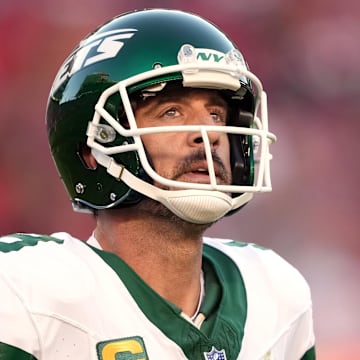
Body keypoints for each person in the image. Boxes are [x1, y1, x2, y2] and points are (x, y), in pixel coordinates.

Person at [0, 8, 316, 360]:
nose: (207, 134)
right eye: (171, 112)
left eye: (215, 114)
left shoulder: (275, 295)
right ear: (93, 150)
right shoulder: (27, 290)